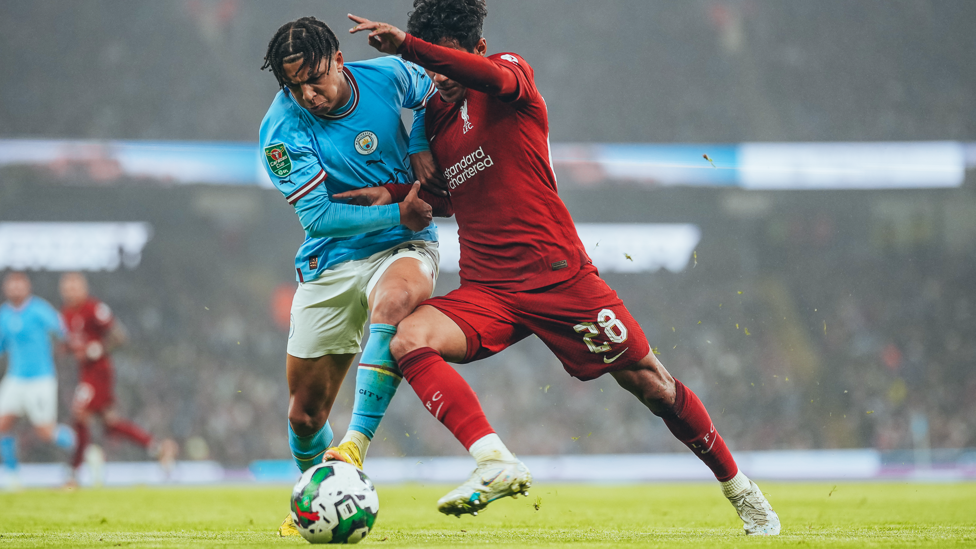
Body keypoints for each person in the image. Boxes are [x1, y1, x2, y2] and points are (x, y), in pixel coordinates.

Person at [342, 1, 780, 535]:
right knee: (407, 338)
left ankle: (741, 490)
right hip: (488, 290)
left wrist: (409, 47)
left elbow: (482, 75)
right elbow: (446, 198)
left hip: (558, 277)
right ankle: (494, 461)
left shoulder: (510, 74)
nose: (439, 77)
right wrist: (390, 196)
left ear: (476, 50)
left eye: (446, 62)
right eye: (429, 69)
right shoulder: (434, 117)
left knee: (652, 386)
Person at [258, 15, 453, 536]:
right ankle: (321, 496)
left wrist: (417, 142)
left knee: (393, 302)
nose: (309, 95)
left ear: (339, 61)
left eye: (315, 79)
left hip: (402, 247)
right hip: (331, 257)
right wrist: (399, 211)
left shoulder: (388, 76)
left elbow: (439, 88)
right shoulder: (281, 129)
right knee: (303, 416)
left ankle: (354, 447)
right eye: (294, 86)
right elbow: (318, 217)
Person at [59, 272, 177, 487]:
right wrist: (67, 349)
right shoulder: (65, 315)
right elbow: (70, 345)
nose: (70, 291)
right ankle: (159, 448)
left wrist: (98, 349)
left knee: (80, 414)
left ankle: (74, 474)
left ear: (84, 288)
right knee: (110, 424)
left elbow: (120, 336)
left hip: (99, 371)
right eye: (67, 288)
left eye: (74, 287)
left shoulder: (94, 308)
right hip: (85, 371)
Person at [0, 272, 76, 490]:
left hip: (41, 379)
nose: (15, 290)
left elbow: (62, 330)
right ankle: (13, 476)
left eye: (19, 285)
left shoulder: (39, 310)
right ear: (6, 289)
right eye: (11, 286)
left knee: (45, 432)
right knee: (3, 425)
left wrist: (67, 342)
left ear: (27, 287)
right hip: (15, 378)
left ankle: (82, 446)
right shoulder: (4, 315)